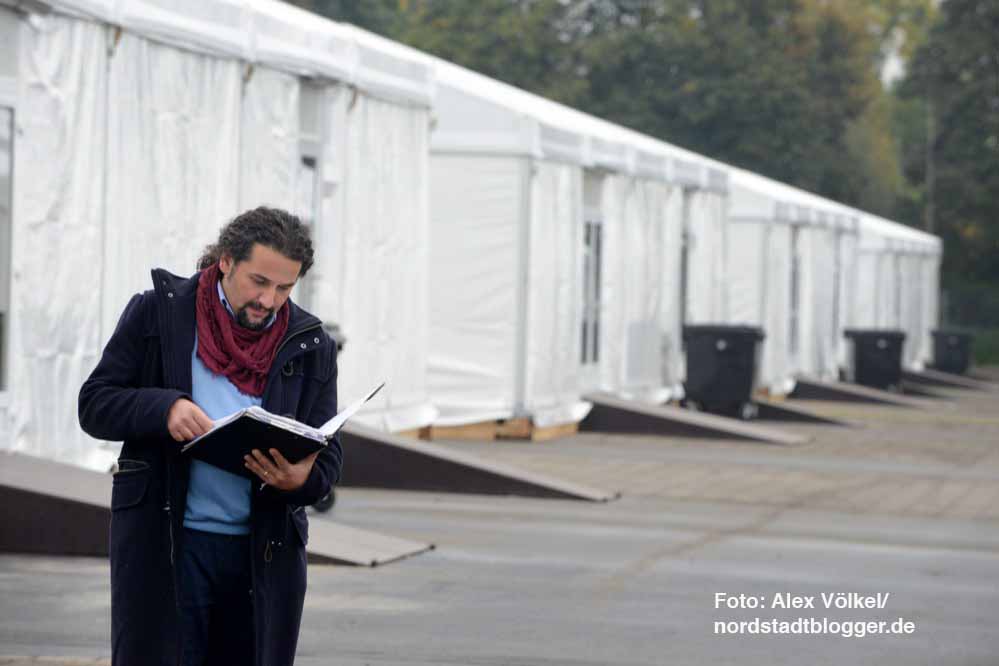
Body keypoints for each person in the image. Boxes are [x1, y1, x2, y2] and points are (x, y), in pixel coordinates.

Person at [79, 207, 342, 666]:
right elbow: (95, 403)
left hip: (263, 553)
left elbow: (329, 451)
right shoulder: (158, 314)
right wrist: (164, 407)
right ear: (225, 261)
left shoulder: (311, 344)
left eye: (285, 287)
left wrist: (303, 478)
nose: (269, 300)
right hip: (166, 545)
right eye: (259, 281)